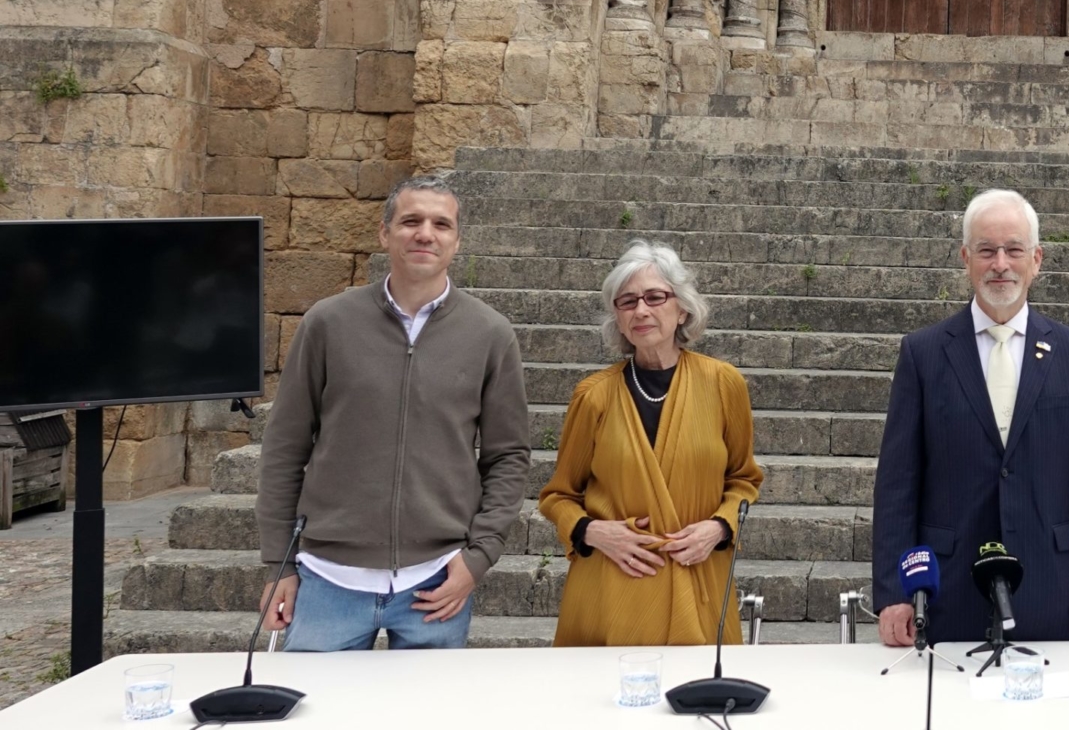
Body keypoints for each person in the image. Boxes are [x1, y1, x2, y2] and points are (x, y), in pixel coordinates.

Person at [256, 174, 530, 650]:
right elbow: (284, 448)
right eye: (411, 221)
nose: (426, 233)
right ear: (385, 233)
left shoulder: (490, 334)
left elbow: (508, 456)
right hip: (329, 579)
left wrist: (479, 556)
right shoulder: (327, 323)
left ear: (456, 240)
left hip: (437, 580)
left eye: (441, 224)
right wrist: (278, 563)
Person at [871, 189, 1069, 649]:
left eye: (1013, 250)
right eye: (987, 250)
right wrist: (894, 591)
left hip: (1053, 586)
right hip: (950, 589)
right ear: (967, 258)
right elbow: (897, 486)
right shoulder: (923, 354)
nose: (1001, 263)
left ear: (1037, 259)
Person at [538, 240, 764, 646]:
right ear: (618, 319)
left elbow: (744, 481)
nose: (641, 310)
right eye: (627, 302)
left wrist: (718, 527)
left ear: (682, 308)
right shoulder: (594, 396)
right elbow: (558, 496)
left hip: (698, 586)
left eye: (655, 297)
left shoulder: (722, 383)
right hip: (611, 594)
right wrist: (592, 531)